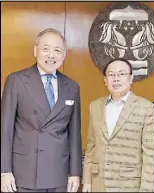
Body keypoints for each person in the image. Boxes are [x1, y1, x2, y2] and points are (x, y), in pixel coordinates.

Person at [1, 28, 82, 192]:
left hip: (58, 173)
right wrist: (4, 171)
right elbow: (5, 129)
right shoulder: (16, 80)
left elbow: (74, 134)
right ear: (35, 50)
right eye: (46, 49)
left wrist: (75, 172)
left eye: (57, 50)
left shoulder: (72, 86)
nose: (51, 55)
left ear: (64, 55)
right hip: (24, 173)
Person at [82, 58, 154, 192]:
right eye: (111, 75)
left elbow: (150, 154)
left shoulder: (146, 107)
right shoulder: (95, 106)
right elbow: (91, 146)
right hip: (98, 184)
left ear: (131, 78)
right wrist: (87, 181)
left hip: (129, 186)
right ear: (105, 80)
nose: (116, 79)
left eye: (122, 74)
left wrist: (146, 189)